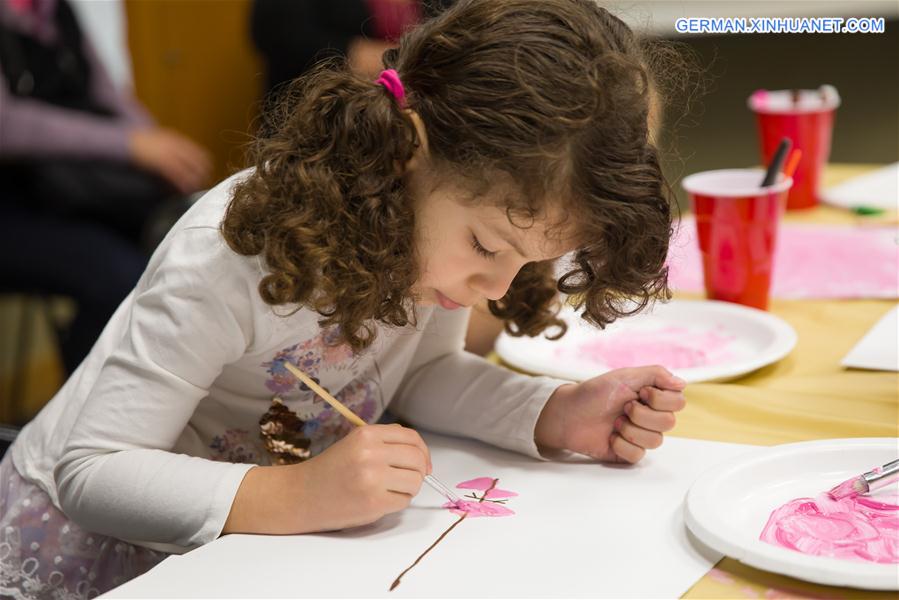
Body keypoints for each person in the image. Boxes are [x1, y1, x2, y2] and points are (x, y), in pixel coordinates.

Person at [0, 1, 687, 596]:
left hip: (253, 542)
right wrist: (297, 494)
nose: (497, 289)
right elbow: (93, 473)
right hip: (102, 556)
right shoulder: (233, 252)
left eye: (526, 263)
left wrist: (549, 414)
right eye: (484, 247)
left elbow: (420, 374)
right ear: (405, 154)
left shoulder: (423, 239)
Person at [0, 0, 211, 375]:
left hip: (74, 194)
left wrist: (159, 145)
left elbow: (106, 93)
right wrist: (131, 146)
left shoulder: (53, 10)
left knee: (190, 248)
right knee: (121, 280)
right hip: (16, 208)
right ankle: (89, 414)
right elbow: (8, 126)